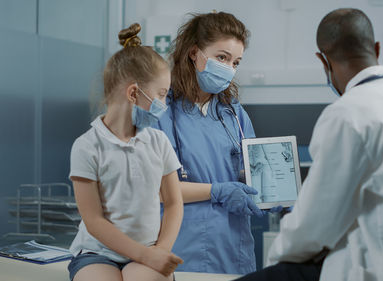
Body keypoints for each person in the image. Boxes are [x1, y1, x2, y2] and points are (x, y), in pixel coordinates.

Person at [236, 8, 383, 281]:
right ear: (376, 48)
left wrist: (274, 259)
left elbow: (313, 226)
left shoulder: (348, 113)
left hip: (380, 274)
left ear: (323, 60)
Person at [67, 23, 184, 281]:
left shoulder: (159, 141)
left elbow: (174, 203)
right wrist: (145, 255)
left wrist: (159, 251)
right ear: (133, 93)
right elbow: (94, 221)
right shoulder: (87, 147)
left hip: (150, 249)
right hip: (96, 253)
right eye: (161, 95)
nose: (164, 104)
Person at [154, 11, 267, 275]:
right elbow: (157, 189)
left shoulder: (233, 113)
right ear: (194, 53)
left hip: (233, 246)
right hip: (183, 246)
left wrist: (272, 193)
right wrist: (217, 191)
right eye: (222, 58)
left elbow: (251, 171)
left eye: (236, 62)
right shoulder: (162, 110)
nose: (229, 68)